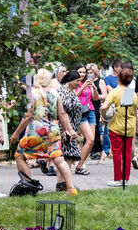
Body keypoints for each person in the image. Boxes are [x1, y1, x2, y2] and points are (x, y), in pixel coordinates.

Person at [9, 67, 77, 196]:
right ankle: (70, 188)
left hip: (37, 132)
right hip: (53, 131)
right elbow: (62, 113)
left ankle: (28, 185)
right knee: (58, 159)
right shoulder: (55, 93)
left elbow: (28, 116)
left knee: (20, 155)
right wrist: (66, 131)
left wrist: (17, 133)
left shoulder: (32, 93)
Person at [101, 62, 138, 186]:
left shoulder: (114, 92)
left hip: (116, 127)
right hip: (129, 126)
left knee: (117, 153)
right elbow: (134, 113)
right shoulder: (132, 94)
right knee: (127, 153)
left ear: (118, 78)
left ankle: (117, 179)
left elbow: (105, 106)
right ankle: (125, 179)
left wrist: (103, 115)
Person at [57, 68, 84, 190]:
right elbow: (64, 112)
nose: (79, 83)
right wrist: (68, 129)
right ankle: (63, 183)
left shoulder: (71, 91)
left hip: (72, 127)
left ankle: (61, 183)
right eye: (77, 81)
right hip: (66, 129)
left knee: (67, 156)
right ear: (70, 80)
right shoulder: (64, 92)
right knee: (67, 155)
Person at [72, 63, 96, 175]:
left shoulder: (88, 83)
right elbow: (74, 96)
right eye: (80, 72)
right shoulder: (74, 83)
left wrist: (94, 88)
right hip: (80, 112)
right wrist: (83, 86)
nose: (82, 74)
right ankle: (79, 165)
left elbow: (95, 98)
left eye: (84, 72)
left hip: (90, 111)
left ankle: (80, 165)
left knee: (91, 141)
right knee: (90, 139)